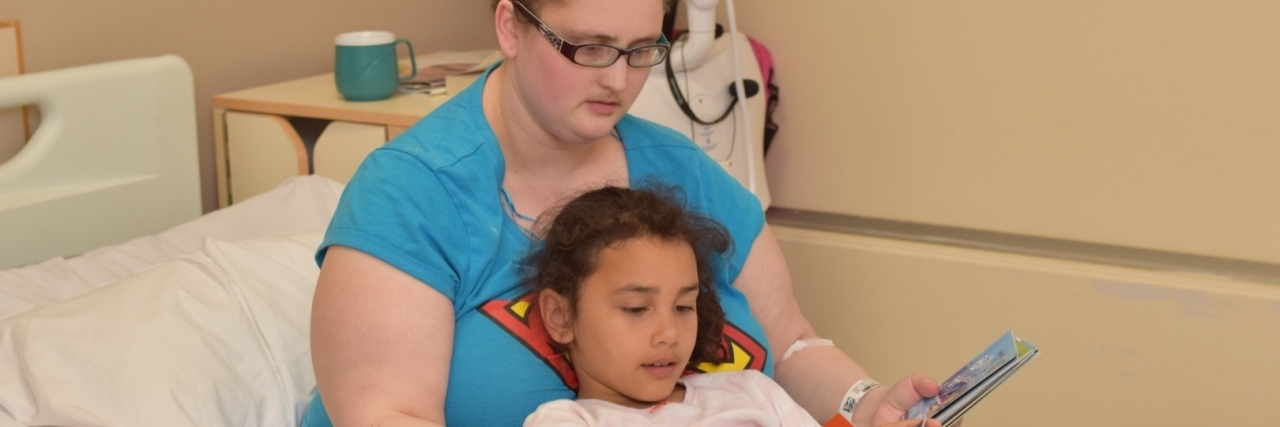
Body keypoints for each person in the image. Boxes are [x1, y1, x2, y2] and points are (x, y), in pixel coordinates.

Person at [305, 0, 949, 426]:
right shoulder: (415, 193)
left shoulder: (684, 173)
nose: (619, 80)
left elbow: (792, 342)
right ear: (511, 26)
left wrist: (866, 406)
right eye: (589, 48)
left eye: (643, 49)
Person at [519, 185, 821, 426]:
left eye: (683, 307)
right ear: (561, 316)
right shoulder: (567, 421)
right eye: (636, 309)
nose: (670, 333)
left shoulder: (751, 391)